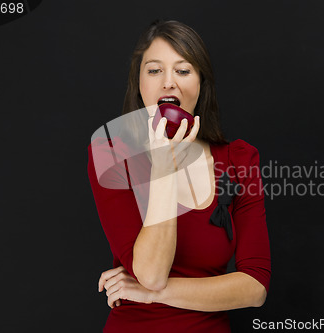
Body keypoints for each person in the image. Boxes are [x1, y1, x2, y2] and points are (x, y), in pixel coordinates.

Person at [87, 19, 271, 332]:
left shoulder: (239, 159)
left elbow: (255, 287)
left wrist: (150, 293)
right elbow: (152, 272)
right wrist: (163, 168)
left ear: (201, 83)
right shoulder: (111, 151)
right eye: (154, 70)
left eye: (183, 71)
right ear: (140, 82)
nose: (168, 82)